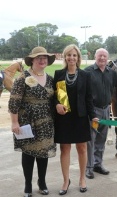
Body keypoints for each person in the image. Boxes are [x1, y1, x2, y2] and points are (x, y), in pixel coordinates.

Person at [8, 46, 57, 197]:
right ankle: (28, 185)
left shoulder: (50, 79)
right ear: (32, 60)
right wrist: (15, 123)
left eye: (45, 58)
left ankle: (41, 182)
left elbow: (54, 100)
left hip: (47, 124)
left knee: (43, 155)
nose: (42, 60)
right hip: (27, 123)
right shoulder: (23, 78)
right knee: (28, 155)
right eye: (39, 58)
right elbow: (13, 103)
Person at [84, 48, 117, 179]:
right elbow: (85, 95)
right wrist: (91, 114)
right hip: (93, 111)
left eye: (104, 56)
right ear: (95, 57)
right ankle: (89, 168)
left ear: (107, 58)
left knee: (101, 140)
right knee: (91, 141)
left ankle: (98, 164)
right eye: (100, 56)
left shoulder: (110, 73)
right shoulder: (88, 72)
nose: (102, 58)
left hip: (106, 110)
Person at [53, 44, 98, 195]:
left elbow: (89, 98)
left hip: (80, 117)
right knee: (65, 149)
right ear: (65, 57)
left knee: (82, 148)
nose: (71, 58)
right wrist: (57, 104)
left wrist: (93, 116)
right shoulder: (58, 74)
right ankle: (66, 181)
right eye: (69, 55)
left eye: (74, 55)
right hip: (64, 118)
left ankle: (81, 179)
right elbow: (53, 97)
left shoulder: (86, 75)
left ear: (78, 57)